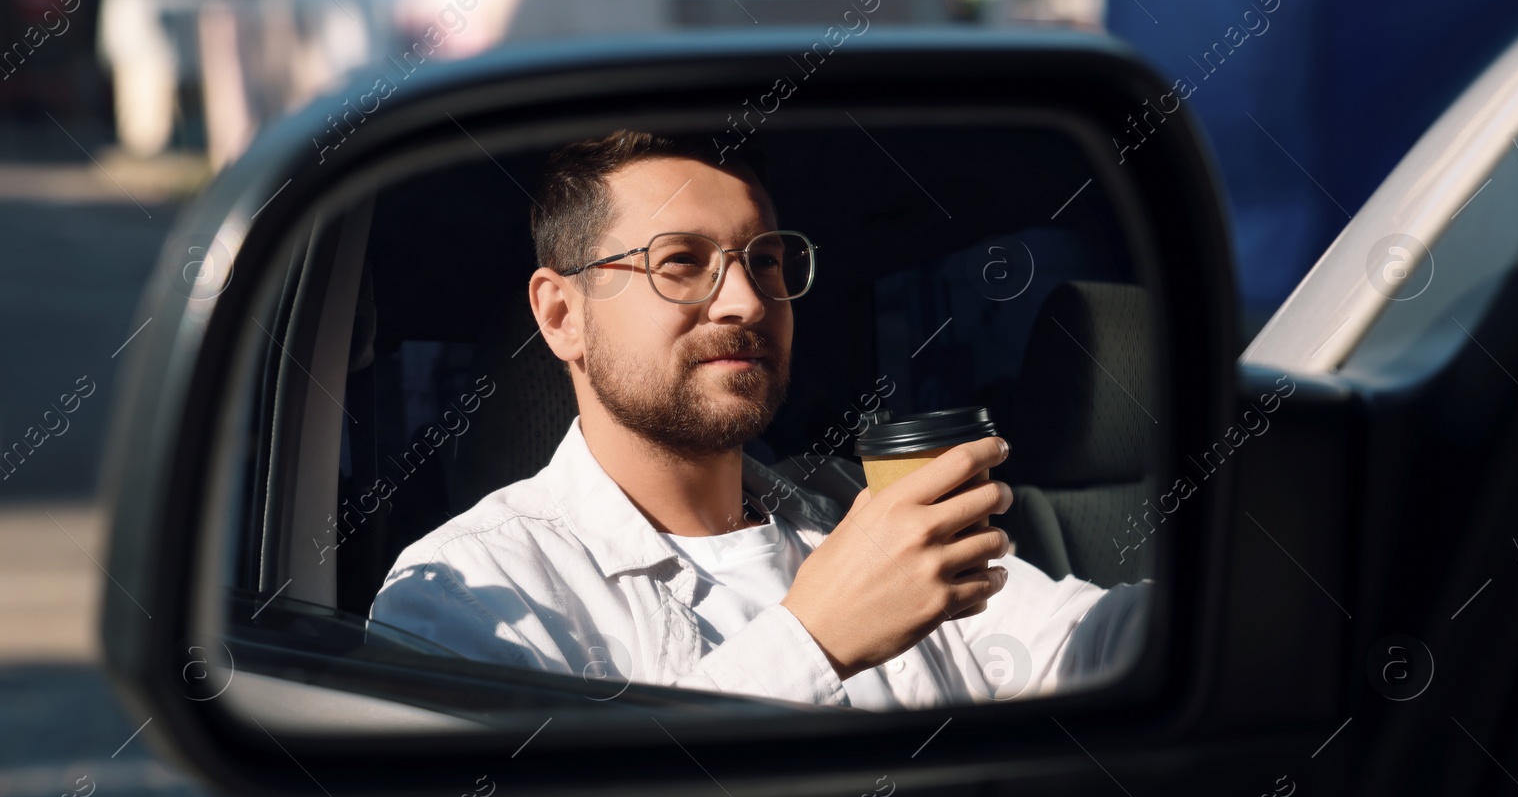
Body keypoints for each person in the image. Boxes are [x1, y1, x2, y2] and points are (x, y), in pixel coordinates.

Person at [370, 130, 1149, 709]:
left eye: (766, 260)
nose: (746, 300)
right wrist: (814, 637)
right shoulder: (467, 593)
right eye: (680, 262)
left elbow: (1080, 644)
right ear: (563, 314)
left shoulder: (861, 507)